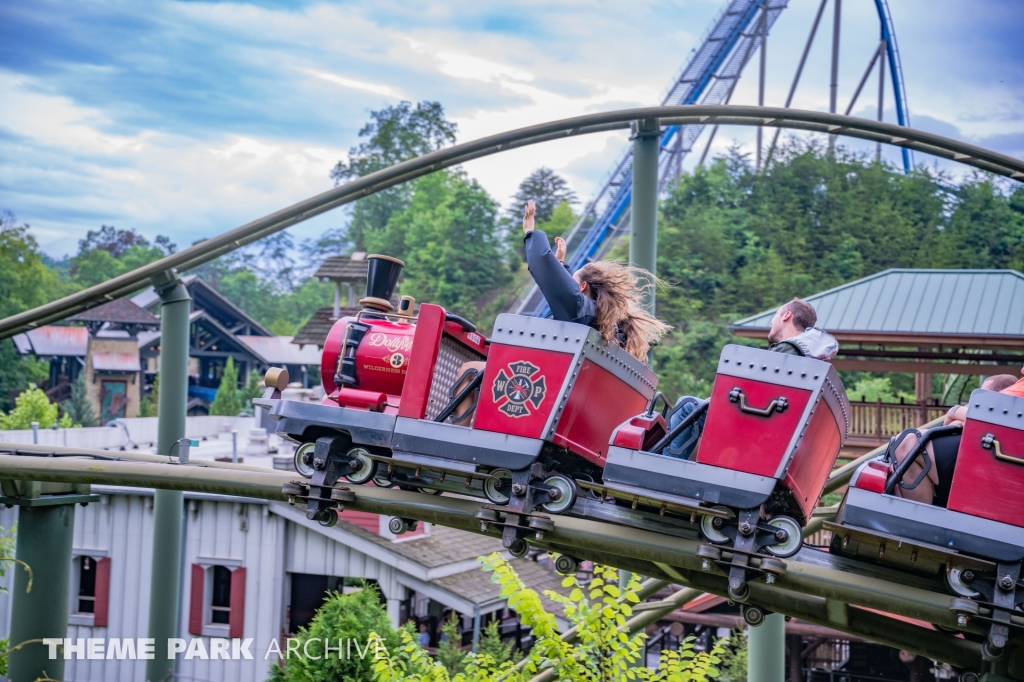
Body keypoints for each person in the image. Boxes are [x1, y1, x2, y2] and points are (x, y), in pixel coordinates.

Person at [450, 200, 670, 421]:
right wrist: (562, 264)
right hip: (566, 393)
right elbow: (566, 292)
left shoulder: (581, 310)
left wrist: (530, 231)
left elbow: (547, 269)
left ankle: (458, 434)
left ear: (582, 287)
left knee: (469, 370)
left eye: (572, 279)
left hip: (542, 389)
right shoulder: (606, 325)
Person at [664, 298, 838, 459]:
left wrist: (719, 400)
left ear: (786, 315)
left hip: (754, 421)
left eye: (775, 315)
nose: (772, 321)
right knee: (696, 405)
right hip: (773, 425)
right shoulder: (813, 357)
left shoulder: (787, 352)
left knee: (687, 406)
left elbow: (757, 391)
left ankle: (665, 464)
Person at [900, 374, 1018, 507]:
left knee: (909, 444)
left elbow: (984, 419)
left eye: (984, 396)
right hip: (989, 465)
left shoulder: (1011, 401)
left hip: (982, 467)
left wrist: (955, 411)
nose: (976, 404)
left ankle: (919, 514)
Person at [943, 374, 1018, 426]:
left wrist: (955, 411)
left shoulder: (989, 418)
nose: (980, 398)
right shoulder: (1015, 420)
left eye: (984, 394)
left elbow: (950, 416)